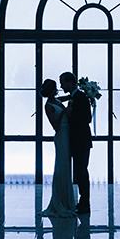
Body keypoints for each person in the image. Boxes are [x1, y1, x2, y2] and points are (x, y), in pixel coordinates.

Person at [39, 79, 76, 218]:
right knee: (62, 165)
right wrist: (64, 112)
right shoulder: (48, 105)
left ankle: (66, 200)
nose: (58, 89)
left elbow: (70, 96)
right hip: (61, 136)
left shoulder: (57, 100)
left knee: (66, 165)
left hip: (67, 135)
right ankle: (60, 201)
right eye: (55, 88)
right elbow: (55, 125)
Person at [59, 72, 92, 214]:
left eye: (63, 83)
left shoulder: (80, 97)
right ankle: (83, 201)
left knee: (81, 172)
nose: (61, 86)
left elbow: (87, 118)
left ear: (71, 83)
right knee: (80, 172)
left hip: (81, 141)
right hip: (78, 141)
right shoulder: (74, 97)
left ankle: (85, 203)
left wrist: (70, 114)